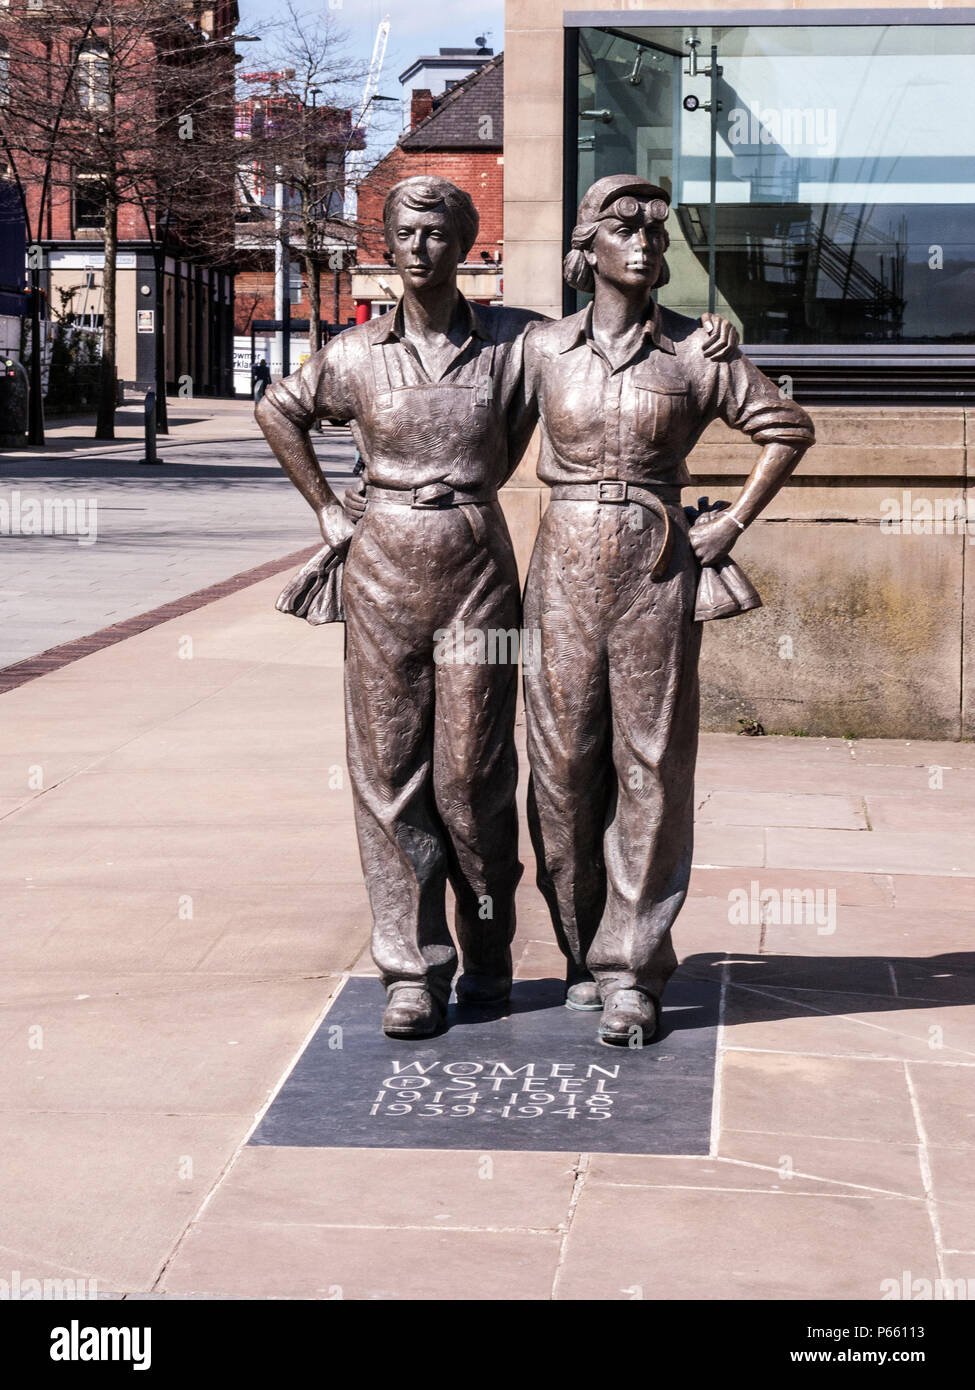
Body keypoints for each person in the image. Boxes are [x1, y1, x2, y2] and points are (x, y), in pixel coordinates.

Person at [521, 175, 815, 1045]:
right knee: (562, 766)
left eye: (657, 234)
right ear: (588, 249)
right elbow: (459, 407)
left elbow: (785, 428)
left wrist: (728, 521)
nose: (645, 246)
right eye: (625, 231)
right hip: (563, 563)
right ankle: (580, 948)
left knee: (649, 763)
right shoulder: (540, 348)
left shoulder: (697, 352)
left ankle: (633, 968)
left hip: (654, 566)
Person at [255, 177, 545, 1039]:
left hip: (478, 572)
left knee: (474, 775)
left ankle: (487, 949)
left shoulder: (515, 344)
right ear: (385, 246)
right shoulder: (353, 355)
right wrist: (326, 508)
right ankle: (411, 970)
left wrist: (703, 336)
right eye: (405, 234)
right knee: (388, 774)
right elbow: (280, 411)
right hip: (381, 568)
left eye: (437, 233)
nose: (421, 248)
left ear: (465, 243)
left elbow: (595, 352)